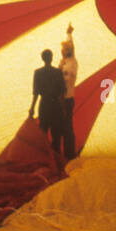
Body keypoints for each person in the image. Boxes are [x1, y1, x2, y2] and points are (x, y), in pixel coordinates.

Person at [27, 48, 66, 155]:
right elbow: (62, 93)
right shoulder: (58, 72)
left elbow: (36, 93)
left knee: (43, 134)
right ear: (51, 58)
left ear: (42, 59)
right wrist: (63, 109)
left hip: (44, 105)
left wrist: (32, 108)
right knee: (56, 135)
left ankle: (44, 158)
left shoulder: (38, 73)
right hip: (55, 106)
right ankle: (56, 159)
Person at [59, 23, 78, 160]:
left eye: (64, 49)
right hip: (62, 99)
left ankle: (69, 154)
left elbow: (67, 80)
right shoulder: (65, 61)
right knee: (63, 127)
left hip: (67, 99)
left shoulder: (71, 63)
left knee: (67, 128)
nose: (62, 51)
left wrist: (60, 72)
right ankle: (66, 153)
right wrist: (69, 33)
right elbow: (71, 45)